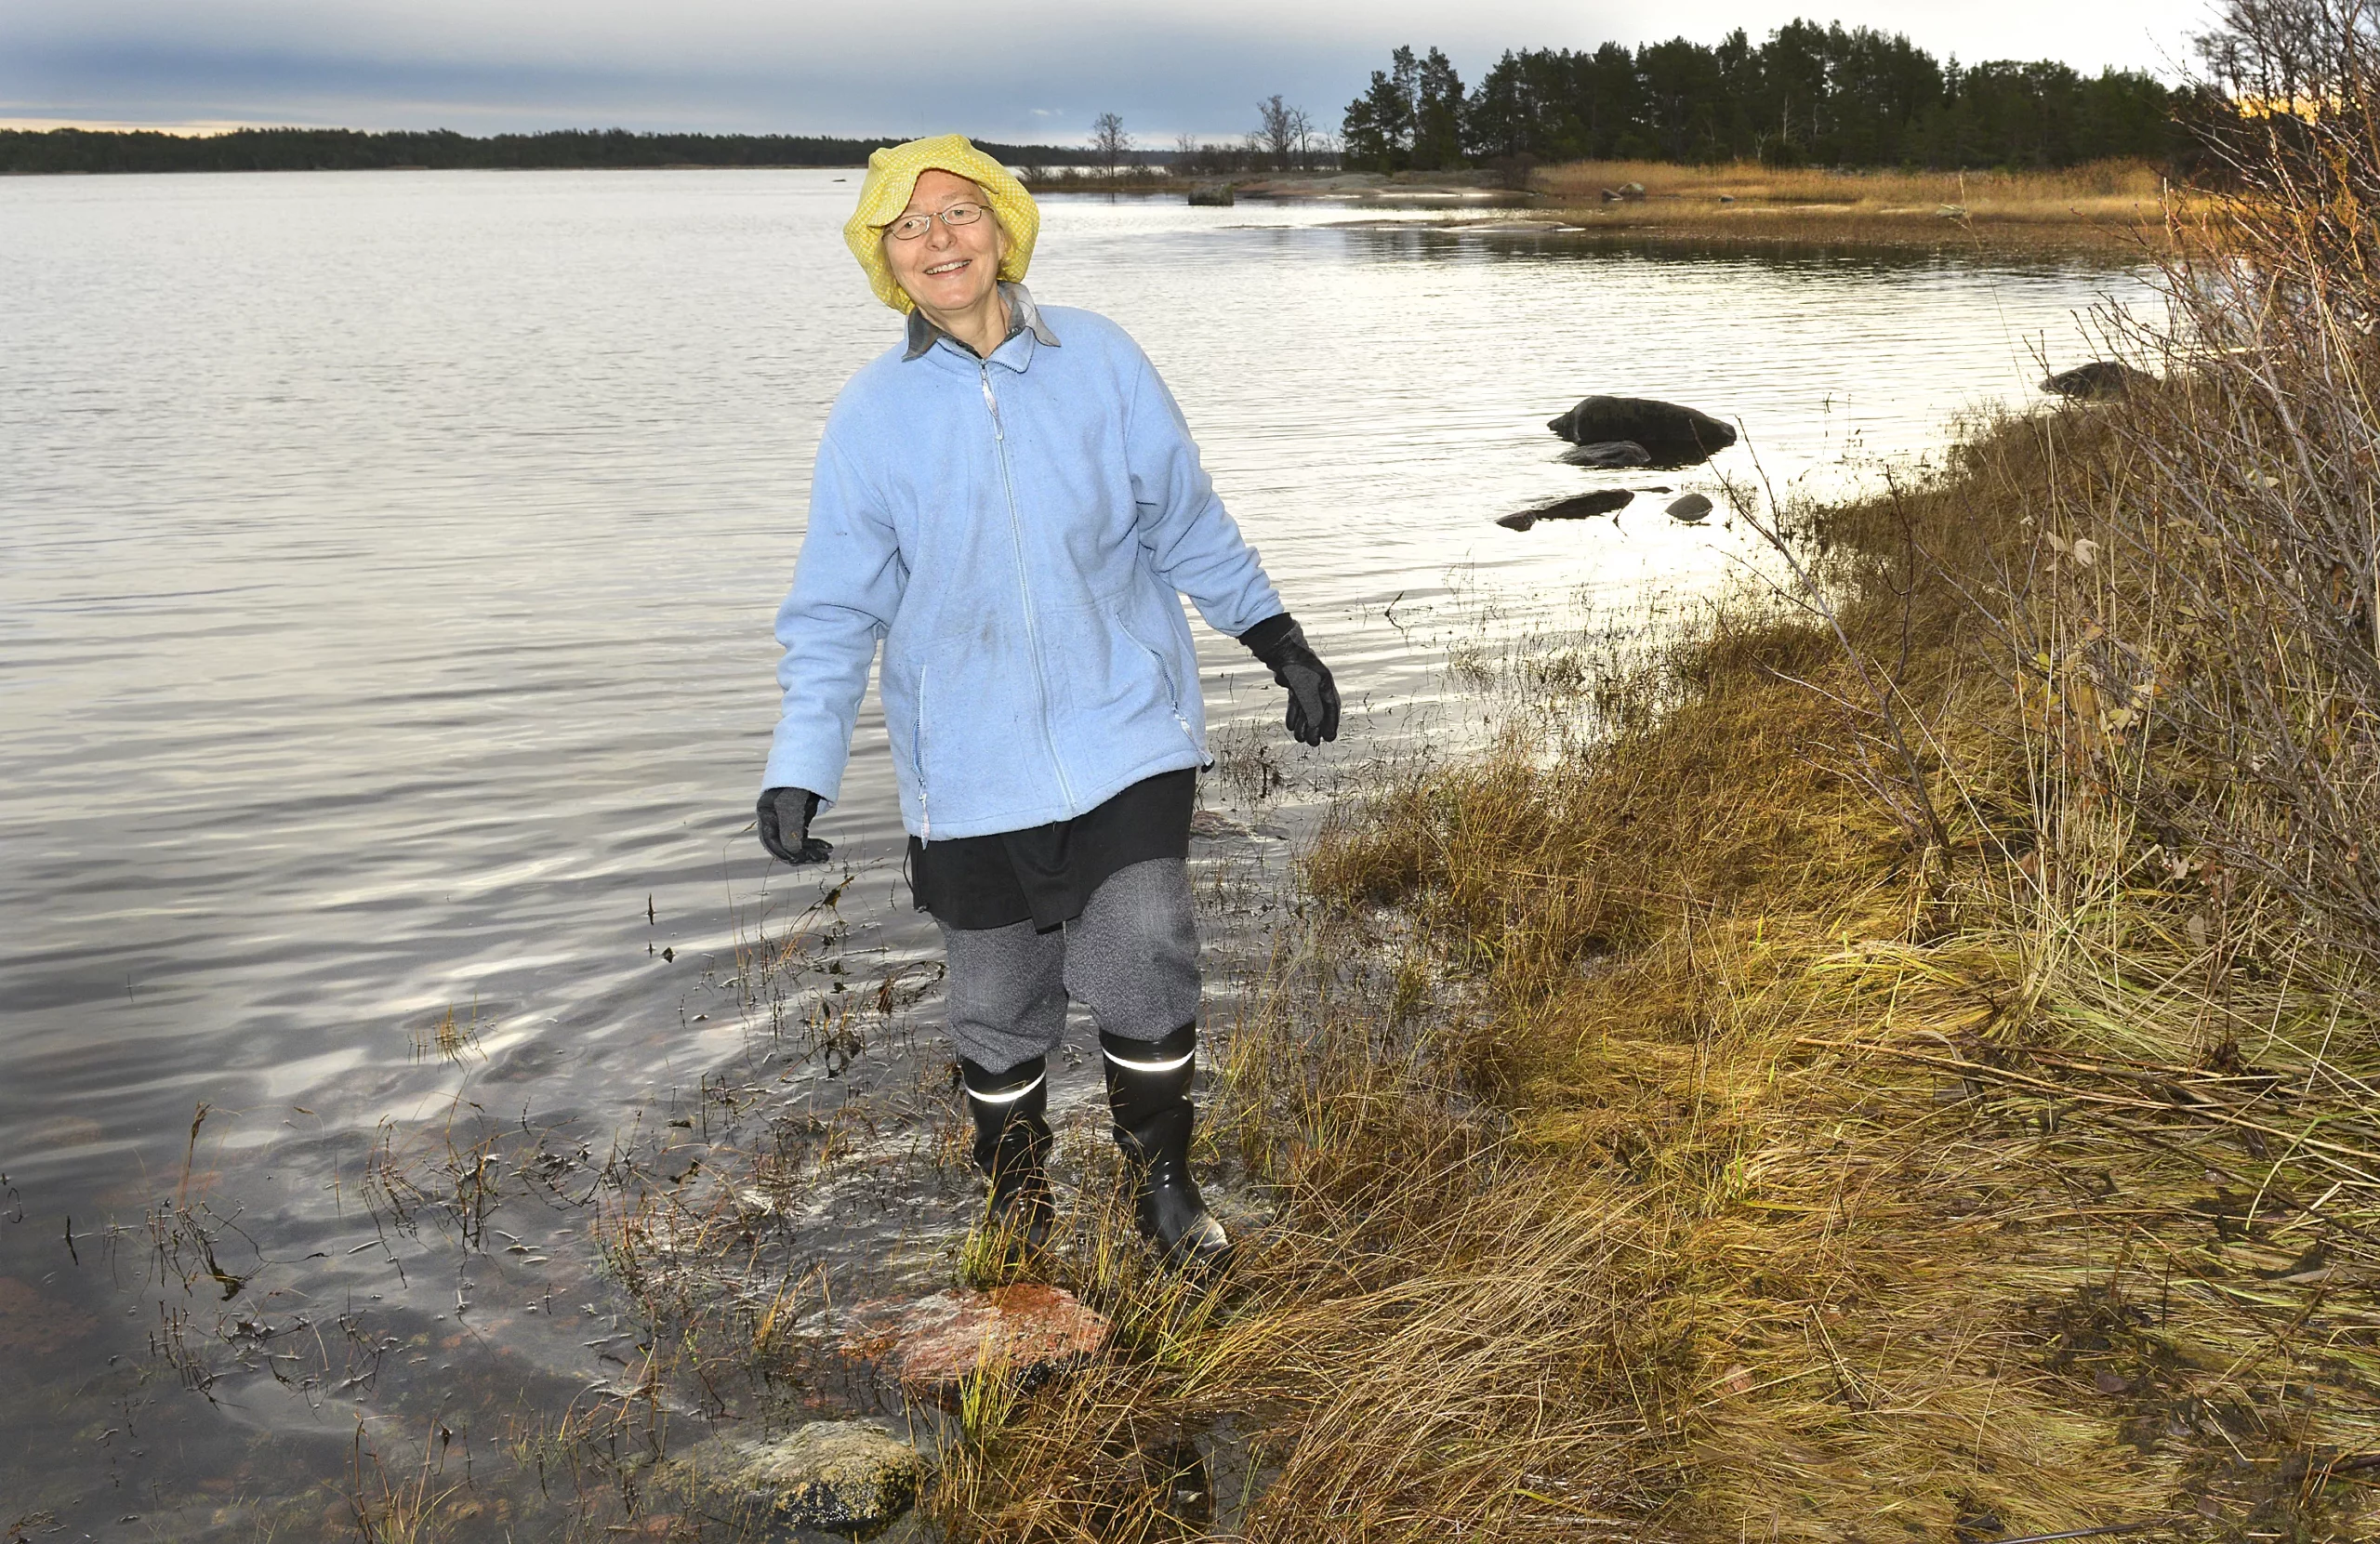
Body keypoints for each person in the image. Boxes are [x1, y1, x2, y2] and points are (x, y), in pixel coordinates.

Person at [754, 135, 1341, 1273]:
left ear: (1003, 226)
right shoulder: (870, 416)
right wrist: (800, 762)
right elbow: (833, 607)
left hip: (1120, 725)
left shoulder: (1102, 359)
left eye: (959, 213)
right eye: (909, 225)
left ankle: (1163, 1181)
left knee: (1144, 942)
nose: (938, 239)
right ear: (884, 255)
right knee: (995, 992)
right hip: (967, 758)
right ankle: (1017, 1191)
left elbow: (1184, 520)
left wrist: (1278, 638)